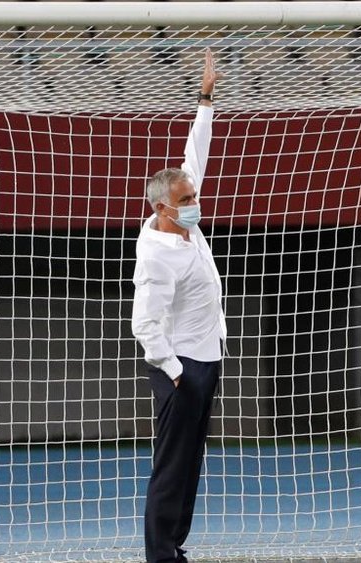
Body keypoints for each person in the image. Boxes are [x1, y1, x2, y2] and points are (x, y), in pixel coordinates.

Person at [131, 48, 225, 563]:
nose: (196, 202)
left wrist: (205, 98)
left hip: (207, 356)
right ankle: (160, 556)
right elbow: (144, 322)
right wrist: (171, 370)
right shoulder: (158, 255)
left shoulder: (182, 217)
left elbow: (197, 152)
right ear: (163, 208)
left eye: (193, 195)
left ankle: (176, 546)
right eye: (187, 200)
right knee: (172, 464)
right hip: (180, 366)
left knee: (192, 461)